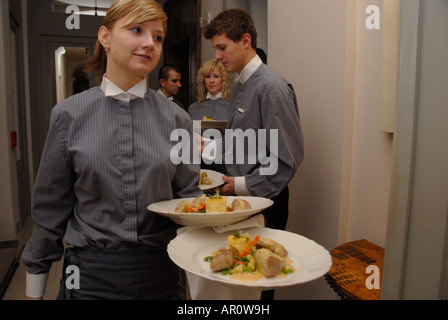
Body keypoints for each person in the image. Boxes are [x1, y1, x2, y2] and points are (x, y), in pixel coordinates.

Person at [21, 0, 202, 300]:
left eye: (157, 37)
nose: (149, 43)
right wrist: (34, 289)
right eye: (136, 30)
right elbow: (50, 209)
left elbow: (188, 200)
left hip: (161, 270)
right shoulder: (69, 115)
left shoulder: (177, 119)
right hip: (89, 273)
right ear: (105, 37)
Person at [204, 9, 304, 299]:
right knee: (240, 276)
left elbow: (286, 160)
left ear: (245, 40)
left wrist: (237, 185)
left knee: (260, 283)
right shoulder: (241, 84)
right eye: (216, 49)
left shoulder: (271, 88)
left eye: (222, 47)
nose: (218, 56)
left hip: (266, 201)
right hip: (241, 199)